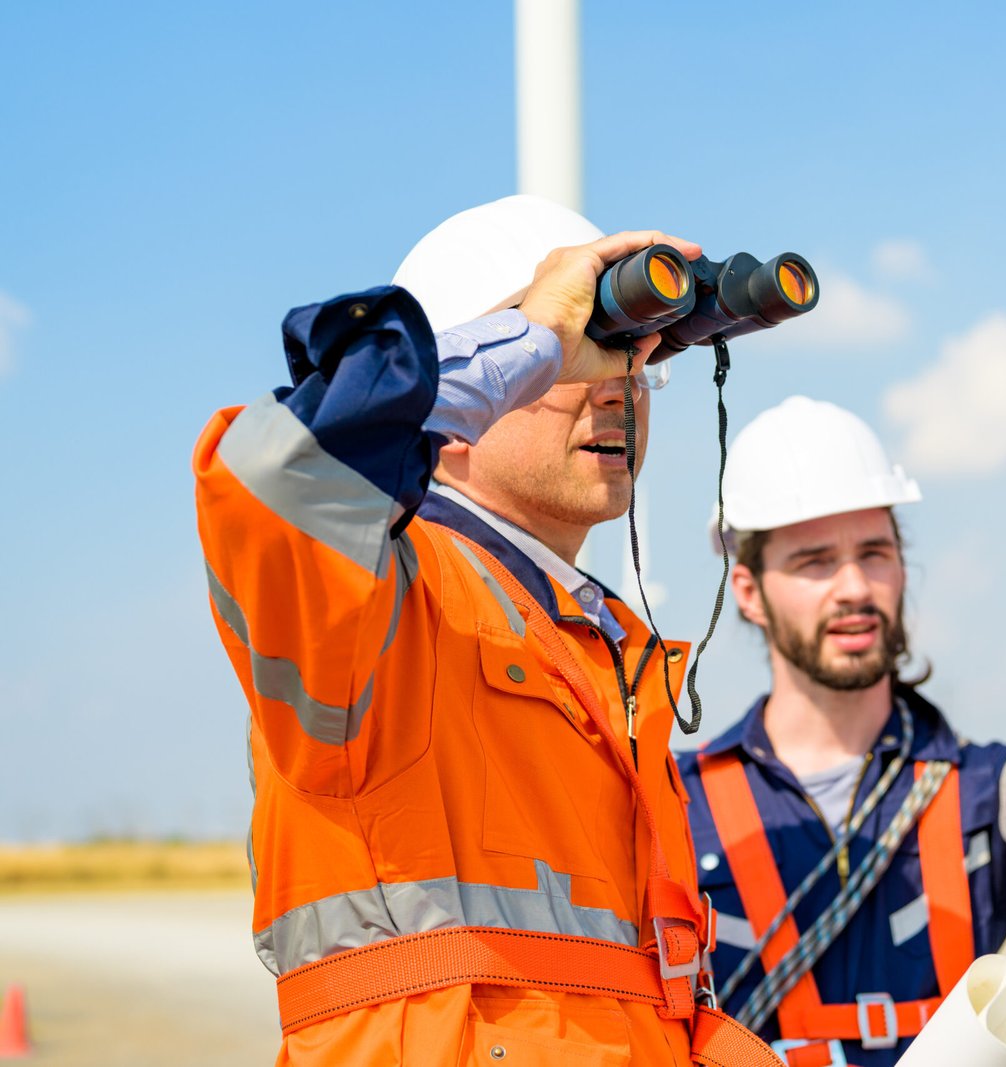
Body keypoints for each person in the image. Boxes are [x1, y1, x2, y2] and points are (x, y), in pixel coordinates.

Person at [194, 195, 782, 1066]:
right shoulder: (379, 609)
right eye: (576, 357)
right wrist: (530, 338)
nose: (615, 386)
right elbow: (280, 477)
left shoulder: (601, 647)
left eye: (630, 355)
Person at [675, 395, 1006, 1066]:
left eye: (874, 552)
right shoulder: (676, 806)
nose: (854, 586)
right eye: (814, 561)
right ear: (748, 591)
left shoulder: (971, 793)